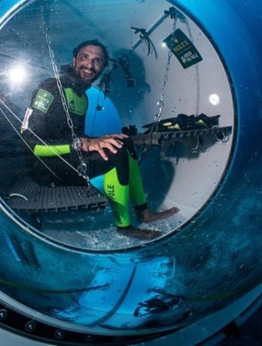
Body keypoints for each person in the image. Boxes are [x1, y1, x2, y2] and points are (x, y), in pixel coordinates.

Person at [23, 39, 179, 239]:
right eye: (85, 57)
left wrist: (100, 139)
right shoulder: (51, 87)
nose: (89, 64)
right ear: (74, 59)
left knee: (124, 142)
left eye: (97, 61)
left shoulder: (83, 98)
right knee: (117, 153)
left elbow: (70, 135)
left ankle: (144, 213)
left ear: (102, 68)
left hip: (67, 161)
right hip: (44, 168)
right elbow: (31, 143)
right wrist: (85, 143)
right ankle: (124, 227)